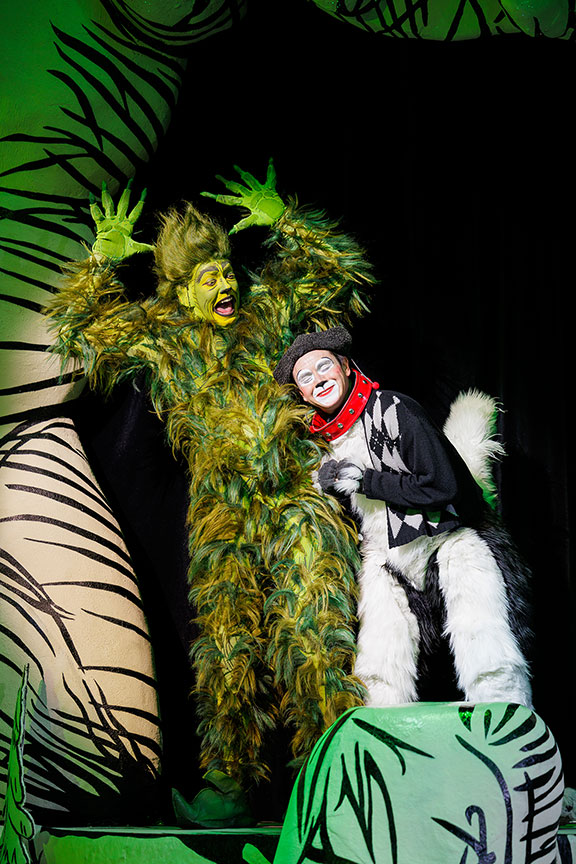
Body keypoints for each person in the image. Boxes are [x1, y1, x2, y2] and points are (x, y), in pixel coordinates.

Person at [45, 164, 373, 824]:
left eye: (226, 268)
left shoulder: (266, 315)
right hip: (220, 512)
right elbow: (79, 335)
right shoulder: (164, 337)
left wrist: (286, 220)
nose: (225, 282)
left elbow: (339, 273)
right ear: (178, 288)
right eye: (207, 276)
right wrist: (98, 263)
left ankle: (338, 783)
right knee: (226, 650)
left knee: (316, 635)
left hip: (294, 497)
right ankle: (229, 786)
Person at [273, 326, 532, 708]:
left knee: (482, 633)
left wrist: (366, 481)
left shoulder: (394, 410)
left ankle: (504, 712)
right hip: (388, 556)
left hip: (448, 539)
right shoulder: (326, 442)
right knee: (380, 654)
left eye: (324, 367)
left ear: (345, 366)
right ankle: (383, 724)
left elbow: (442, 487)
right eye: (305, 378)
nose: (318, 381)